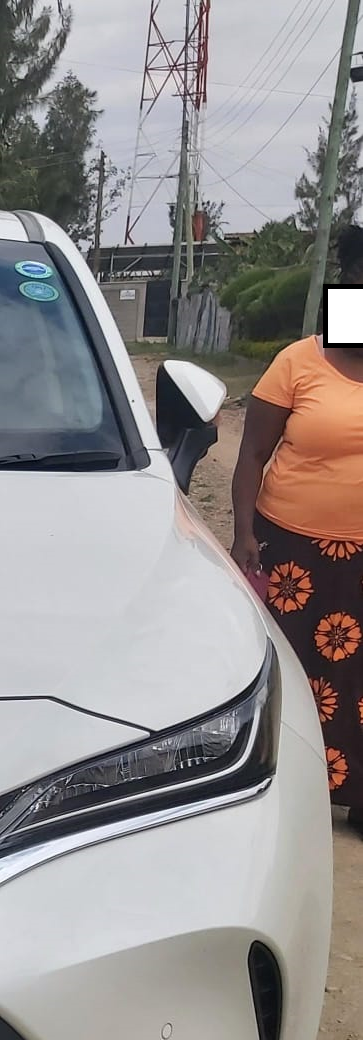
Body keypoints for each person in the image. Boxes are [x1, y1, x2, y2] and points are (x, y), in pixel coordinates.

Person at [232, 223, 363, 823]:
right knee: (299, 672)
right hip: (293, 551)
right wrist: (243, 535)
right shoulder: (297, 362)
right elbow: (251, 456)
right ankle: (290, 789)